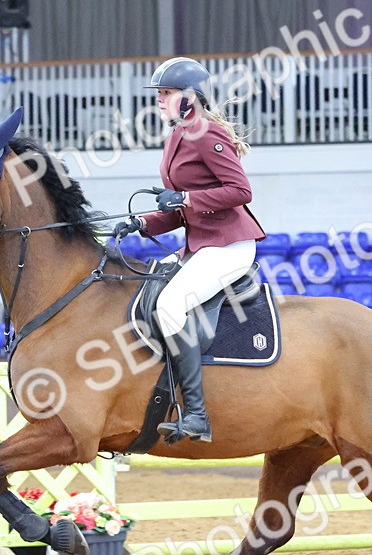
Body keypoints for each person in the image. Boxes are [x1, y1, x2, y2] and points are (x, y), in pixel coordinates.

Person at [113, 57, 265, 445]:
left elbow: (240, 191)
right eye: (160, 94)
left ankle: (197, 414)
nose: (160, 101)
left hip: (229, 246)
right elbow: (183, 209)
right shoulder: (177, 136)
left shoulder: (207, 134)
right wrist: (143, 222)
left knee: (169, 305)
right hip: (200, 244)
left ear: (190, 98)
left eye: (167, 93)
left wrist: (182, 196)